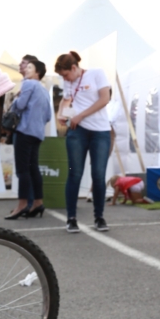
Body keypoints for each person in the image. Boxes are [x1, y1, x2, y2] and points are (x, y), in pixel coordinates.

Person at [55, 51, 112, 234]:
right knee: (74, 174)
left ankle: (99, 217)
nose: (66, 79)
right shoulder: (68, 81)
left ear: (74, 67)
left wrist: (80, 115)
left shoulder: (96, 73)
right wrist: (60, 114)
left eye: (66, 74)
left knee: (98, 174)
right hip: (77, 131)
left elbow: (105, 99)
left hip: (100, 131)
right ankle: (71, 218)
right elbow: (66, 100)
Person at [6, 60, 51, 220]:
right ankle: (38, 202)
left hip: (24, 131)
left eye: (30, 67)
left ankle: (22, 204)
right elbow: (48, 116)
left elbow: (20, 105)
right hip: (37, 133)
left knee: (22, 170)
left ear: (37, 72)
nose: (26, 69)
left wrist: (16, 99)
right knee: (33, 169)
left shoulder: (28, 84)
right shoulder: (45, 91)